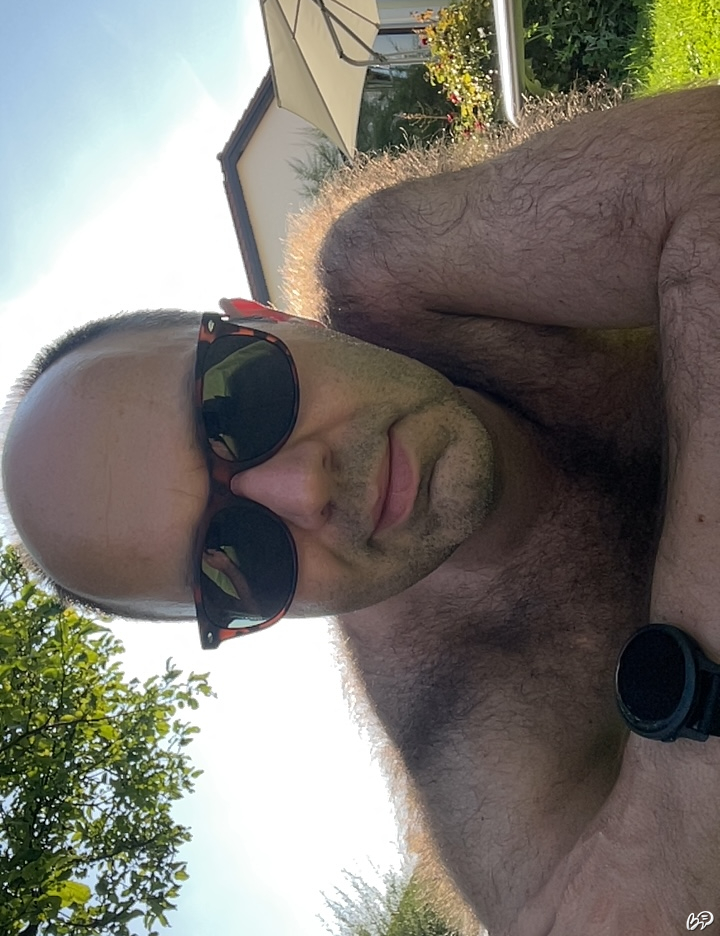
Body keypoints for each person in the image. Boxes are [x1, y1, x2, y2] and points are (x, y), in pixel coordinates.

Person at [2, 84, 720, 935]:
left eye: (240, 400)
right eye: (234, 560)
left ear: (267, 318)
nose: (305, 489)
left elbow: (704, 171)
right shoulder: (457, 712)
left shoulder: (396, 272)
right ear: (254, 619)